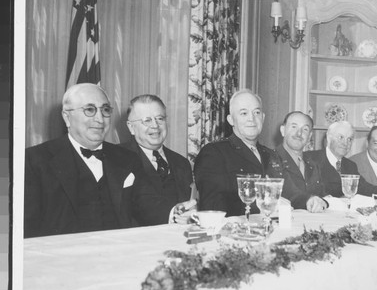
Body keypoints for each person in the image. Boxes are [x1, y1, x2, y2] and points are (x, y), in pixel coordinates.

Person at [24, 83, 172, 238]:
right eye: (89, 110)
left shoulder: (126, 158)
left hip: (116, 254)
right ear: (67, 117)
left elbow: (146, 203)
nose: (100, 119)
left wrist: (175, 213)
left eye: (105, 110)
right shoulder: (35, 160)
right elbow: (26, 227)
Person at [194, 89, 272, 217]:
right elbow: (213, 207)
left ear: (262, 118)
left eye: (256, 112)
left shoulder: (271, 155)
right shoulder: (215, 153)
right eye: (243, 113)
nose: (251, 119)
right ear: (231, 120)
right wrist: (263, 204)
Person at [121, 94, 194, 221]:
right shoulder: (117, 157)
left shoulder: (181, 162)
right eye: (147, 120)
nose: (155, 125)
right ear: (131, 127)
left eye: (160, 119)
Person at [267, 111, 328, 212]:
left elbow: (321, 194)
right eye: (294, 127)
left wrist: (326, 201)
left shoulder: (312, 164)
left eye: (305, 129)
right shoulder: (270, 159)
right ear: (283, 130)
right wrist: (309, 199)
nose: (299, 133)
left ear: (309, 136)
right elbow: (287, 192)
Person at [305, 121, 377, 197]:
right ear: (329, 138)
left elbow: (363, 187)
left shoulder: (350, 165)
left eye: (349, 139)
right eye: (341, 137)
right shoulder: (310, 159)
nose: (345, 143)